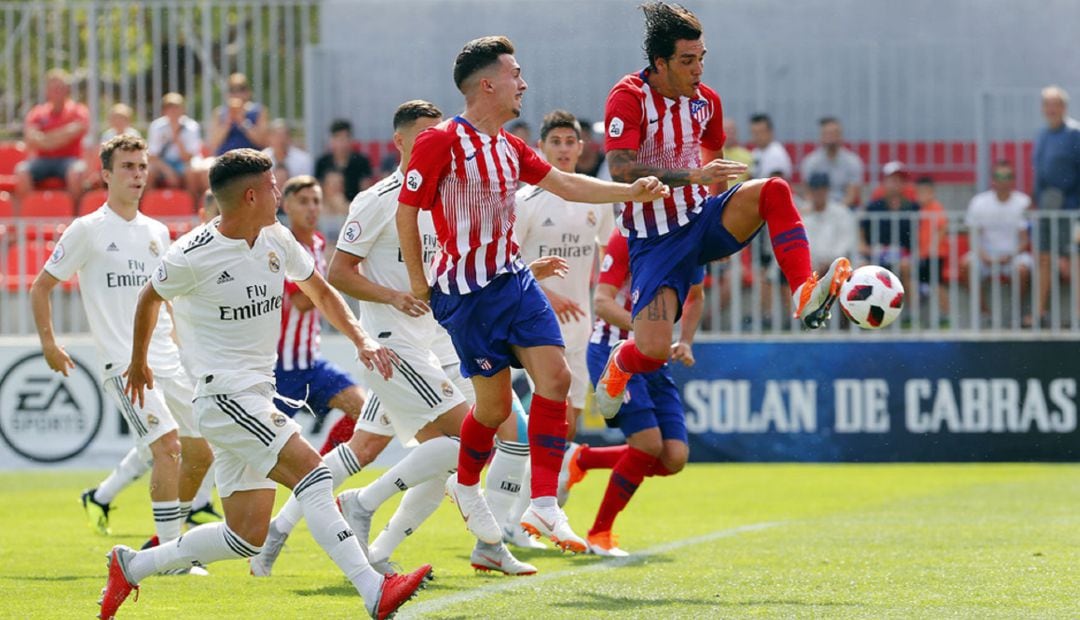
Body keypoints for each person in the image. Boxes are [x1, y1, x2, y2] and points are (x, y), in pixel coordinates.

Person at [98, 149, 430, 620]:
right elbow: (149, 296)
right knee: (313, 474)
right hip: (223, 395)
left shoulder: (276, 238)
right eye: (274, 186)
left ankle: (131, 565)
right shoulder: (191, 253)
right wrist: (137, 362)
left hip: (255, 394)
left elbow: (319, 290)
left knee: (244, 536)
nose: (281, 191)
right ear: (251, 195)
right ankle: (374, 589)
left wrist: (359, 339)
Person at [396, 35, 670, 553]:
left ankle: (543, 505)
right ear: (488, 83)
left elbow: (568, 185)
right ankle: (468, 483)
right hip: (467, 294)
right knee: (494, 411)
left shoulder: (508, 146)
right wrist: (419, 285)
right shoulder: (440, 142)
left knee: (558, 378)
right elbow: (406, 212)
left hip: (515, 282)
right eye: (515, 73)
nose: (523, 83)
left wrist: (630, 190)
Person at [593, 2, 851, 420]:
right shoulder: (629, 97)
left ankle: (804, 292)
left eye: (702, 59)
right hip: (654, 240)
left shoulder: (706, 102)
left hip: (700, 219)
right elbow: (621, 170)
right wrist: (694, 176)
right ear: (660, 63)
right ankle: (622, 362)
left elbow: (713, 162)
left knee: (774, 191)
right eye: (687, 61)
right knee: (654, 351)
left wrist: (721, 205)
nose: (698, 70)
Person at [30, 135, 213, 548]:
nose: (137, 175)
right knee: (166, 447)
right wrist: (49, 344)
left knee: (201, 453)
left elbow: (165, 301)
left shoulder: (158, 232)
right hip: (124, 365)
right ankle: (169, 554)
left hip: (169, 359)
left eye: (142, 166)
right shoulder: (87, 230)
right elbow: (40, 287)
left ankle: (162, 543)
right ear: (107, 175)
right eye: (128, 167)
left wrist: (188, 350)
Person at [577, 229, 701, 555]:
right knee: (647, 445)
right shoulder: (626, 237)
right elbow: (602, 303)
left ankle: (580, 459)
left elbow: (697, 295)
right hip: (612, 351)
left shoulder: (686, 237)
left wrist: (684, 340)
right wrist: (650, 330)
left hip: (652, 357)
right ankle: (599, 534)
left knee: (674, 458)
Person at [514, 109, 615, 439]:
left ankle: (546, 488)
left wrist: (607, 302)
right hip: (538, 320)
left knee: (569, 424)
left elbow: (610, 253)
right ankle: (528, 487)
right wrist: (549, 295)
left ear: (581, 147)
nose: (563, 148)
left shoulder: (595, 198)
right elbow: (507, 262)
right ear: (541, 147)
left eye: (570, 141)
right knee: (549, 410)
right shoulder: (525, 201)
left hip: (581, 321)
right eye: (555, 142)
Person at [1033, 85, 1080, 326]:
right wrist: (1038, 206)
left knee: (1074, 260)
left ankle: (1078, 316)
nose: (1051, 109)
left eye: (1055, 104)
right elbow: (1040, 175)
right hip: (1047, 211)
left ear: (1063, 107)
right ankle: (1039, 313)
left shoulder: (1075, 133)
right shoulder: (1042, 135)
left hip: (1072, 211)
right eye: (1047, 104)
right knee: (1043, 259)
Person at [963, 161, 1033, 319]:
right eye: (999, 176)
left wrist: (1010, 256)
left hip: (1014, 255)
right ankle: (984, 312)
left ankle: (1015, 312)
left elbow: (1024, 240)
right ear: (993, 179)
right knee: (966, 265)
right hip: (985, 255)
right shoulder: (979, 202)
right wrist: (985, 256)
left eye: (1008, 176)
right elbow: (973, 238)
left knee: (1022, 270)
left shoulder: (1023, 202)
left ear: (1013, 179)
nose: (1003, 180)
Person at [15, 68, 89, 198]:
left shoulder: (79, 110)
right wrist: (63, 135)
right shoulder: (37, 112)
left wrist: (44, 139)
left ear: (67, 89)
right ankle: (27, 214)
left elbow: (76, 131)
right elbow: (31, 138)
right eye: (53, 88)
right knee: (21, 171)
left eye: (60, 87)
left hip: (70, 160)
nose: (57, 91)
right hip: (42, 160)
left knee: (76, 174)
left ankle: (76, 215)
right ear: (46, 90)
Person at [860, 161, 918, 288]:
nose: (896, 184)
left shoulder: (912, 207)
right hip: (877, 255)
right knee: (862, 268)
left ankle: (913, 307)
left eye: (899, 180)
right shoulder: (873, 207)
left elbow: (919, 239)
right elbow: (861, 238)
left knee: (906, 266)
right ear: (884, 182)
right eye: (892, 180)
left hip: (904, 256)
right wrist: (872, 251)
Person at [799, 117, 865, 206]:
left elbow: (851, 196)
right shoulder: (811, 162)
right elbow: (808, 193)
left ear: (841, 136)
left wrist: (835, 212)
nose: (831, 137)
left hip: (844, 209)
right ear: (821, 136)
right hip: (817, 208)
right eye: (827, 133)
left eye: (834, 133)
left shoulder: (852, 161)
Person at [800, 172, 857, 275]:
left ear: (827, 190)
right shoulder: (803, 215)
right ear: (810, 191)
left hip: (839, 267)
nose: (818, 193)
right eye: (815, 189)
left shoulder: (841, 212)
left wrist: (831, 262)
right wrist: (815, 264)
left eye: (822, 189)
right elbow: (803, 245)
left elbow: (846, 242)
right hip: (811, 269)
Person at [147, 93, 204, 191]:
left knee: (191, 172)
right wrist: (167, 171)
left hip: (184, 163)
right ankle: (147, 203)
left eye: (176, 107)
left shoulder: (191, 127)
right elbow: (152, 156)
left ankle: (192, 202)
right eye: (169, 108)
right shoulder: (156, 126)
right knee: (148, 172)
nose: (173, 111)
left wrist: (177, 138)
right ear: (164, 111)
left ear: (183, 109)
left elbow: (188, 157)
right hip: (162, 163)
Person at [914, 176, 950, 322]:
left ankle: (946, 315)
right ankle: (919, 316)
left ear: (932, 192)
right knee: (923, 283)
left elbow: (942, 227)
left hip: (935, 254)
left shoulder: (935, 207)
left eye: (925, 193)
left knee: (937, 284)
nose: (921, 196)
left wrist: (933, 245)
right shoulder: (920, 209)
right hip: (924, 254)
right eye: (919, 193)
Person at [207, 73, 269, 155]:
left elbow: (262, 142)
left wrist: (243, 121)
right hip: (225, 158)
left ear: (248, 92)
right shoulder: (220, 113)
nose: (237, 94)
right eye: (232, 90)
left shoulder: (258, 111)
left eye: (241, 89)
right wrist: (228, 122)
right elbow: (213, 143)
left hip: (251, 158)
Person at [314, 119, 373, 200]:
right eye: (339, 139)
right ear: (332, 140)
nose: (343, 143)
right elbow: (318, 190)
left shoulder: (361, 162)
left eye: (346, 138)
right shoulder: (322, 162)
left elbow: (366, 191)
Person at [749, 112, 792, 180]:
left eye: (761, 132)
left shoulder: (776, 153)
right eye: (754, 132)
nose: (757, 136)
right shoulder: (755, 152)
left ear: (770, 132)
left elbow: (774, 184)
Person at [721, 117, 752, 184]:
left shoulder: (747, 155)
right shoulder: (711, 154)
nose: (728, 135)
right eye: (726, 131)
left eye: (731, 131)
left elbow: (751, 180)